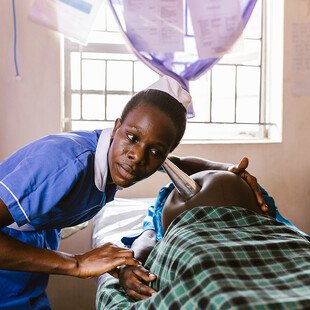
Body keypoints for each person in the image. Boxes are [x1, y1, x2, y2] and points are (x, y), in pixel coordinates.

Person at [0, 75, 265, 309]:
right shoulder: (63, 163)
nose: (137, 157)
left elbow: (181, 164)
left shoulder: (126, 154)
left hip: (30, 249)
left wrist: (231, 170)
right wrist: (77, 263)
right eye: (133, 138)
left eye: (155, 152)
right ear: (117, 128)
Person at [100, 170, 310, 309]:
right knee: (215, 282)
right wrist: (129, 266)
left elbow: (283, 226)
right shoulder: (160, 203)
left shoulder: (253, 188)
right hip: (195, 239)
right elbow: (147, 237)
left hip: (259, 230)